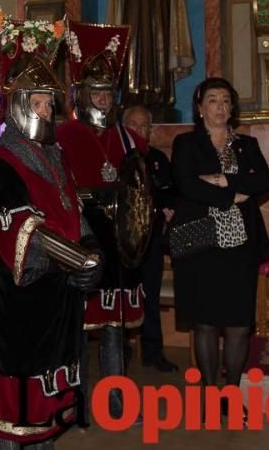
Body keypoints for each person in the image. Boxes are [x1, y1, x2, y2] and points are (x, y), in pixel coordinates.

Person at [0, 42, 102, 449]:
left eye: (51, 102)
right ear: (19, 105)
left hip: (57, 298)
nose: (49, 111)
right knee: (16, 411)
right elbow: (22, 227)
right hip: (19, 300)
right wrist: (78, 260)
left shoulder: (55, 155)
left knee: (48, 411)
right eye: (41, 102)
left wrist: (92, 251)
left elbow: (72, 211)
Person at [56, 21, 146, 420]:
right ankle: (75, 404)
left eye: (108, 92)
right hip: (84, 237)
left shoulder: (131, 140)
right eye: (95, 91)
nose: (103, 98)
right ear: (82, 94)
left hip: (121, 243)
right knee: (77, 327)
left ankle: (117, 402)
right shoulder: (63, 135)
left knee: (115, 327)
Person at [169, 77, 269, 423]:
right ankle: (210, 394)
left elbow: (262, 182)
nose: (220, 107)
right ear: (200, 108)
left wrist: (222, 180)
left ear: (233, 108)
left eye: (226, 100)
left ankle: (231, 393)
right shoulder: (186, 144)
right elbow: (186, 185)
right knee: (206, 324)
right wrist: (234, 194)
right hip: (201, 243)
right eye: (212, 100)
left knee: (240, 325)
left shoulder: (248, 144)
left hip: (241, 244)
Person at [121, 105, 178, 373]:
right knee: (121, 297)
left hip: (152, 240)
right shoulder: (114, 156)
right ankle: (120, 351)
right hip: (121, 243)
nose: (139, 130)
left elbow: (169, 192)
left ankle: (153, 352)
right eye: (133, 124)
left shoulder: (157, 158)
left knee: (150, 297)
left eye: (144, 125)